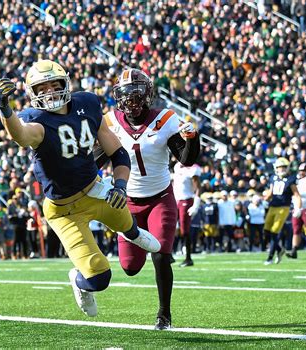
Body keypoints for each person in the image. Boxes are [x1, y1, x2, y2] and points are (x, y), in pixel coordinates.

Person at [0, 60, 160, 317]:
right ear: (33, 93)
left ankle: (134, 233)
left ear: (65, 83)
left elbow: (118, 153)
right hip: (64, 210)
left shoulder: (88, 104)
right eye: (42, 88)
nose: (50, 92)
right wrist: (6, 110)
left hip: (95, 189)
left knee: (127, 223)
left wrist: (120, 186)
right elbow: (22, 136)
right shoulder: (34, 120)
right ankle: (78, 281)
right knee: (99, 278)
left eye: (54, 84)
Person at [96, 68, 200, 329]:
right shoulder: (109, 122)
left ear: (147, 94)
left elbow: (187, 159)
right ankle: (135, 243)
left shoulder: (165, 118)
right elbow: (96, 160)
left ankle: (164, 314)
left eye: (135, 94)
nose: (130, 101)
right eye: (125, 95)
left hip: (160, 198)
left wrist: (193, 139)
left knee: (162, 253)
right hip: (127, 201)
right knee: (130, 267)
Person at [263, 157, 302, 265]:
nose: (282, 169)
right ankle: (279, 250)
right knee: (266, 231)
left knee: (274, 231)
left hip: (283, 207)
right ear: (276, 168)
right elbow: (271, 193)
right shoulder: (272, 178)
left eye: (284, 167)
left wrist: (298, 208)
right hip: (272, 206)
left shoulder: (291, 179)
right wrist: (264, 199)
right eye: (280, 167)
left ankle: (270, 257)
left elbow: (297, 195)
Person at [173, 162, 202, 266]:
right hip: (175, 200)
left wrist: (196, 204)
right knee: (169, 226)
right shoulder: (177, 166)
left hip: (186, 200)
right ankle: (169, 254)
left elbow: (198, 187)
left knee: (185, 230)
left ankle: (188, 257)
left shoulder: (193, 168)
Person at [287, 163, 306, 259]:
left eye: (303, 170)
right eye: (300, 170)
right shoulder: (296, 179)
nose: (301, 172)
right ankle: (294, 250)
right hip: (297, 207)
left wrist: (295, 191)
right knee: (296, 229)